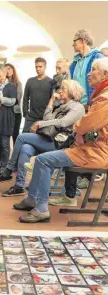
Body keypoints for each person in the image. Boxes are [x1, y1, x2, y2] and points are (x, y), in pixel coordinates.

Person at [14, 57, 108, 223]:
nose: (88, 73)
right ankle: (32, 198)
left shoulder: (104, 98)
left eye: (93, 69)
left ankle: (40, 208)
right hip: (87, 148)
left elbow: (84, 124)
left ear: (105, 74)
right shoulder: (99, 96)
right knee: (31, 151)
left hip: (96, 152)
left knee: (42, 160)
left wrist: (79, 130)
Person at [0, 80, 85, 197]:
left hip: (59, 143)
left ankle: (9, 169)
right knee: (25, 148)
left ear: (72, 91)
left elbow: (63, 122)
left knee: (21, 138)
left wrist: (40, 124)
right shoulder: (61, 105)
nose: (60, 91)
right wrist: (51, 101)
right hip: (48, 139)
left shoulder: (78, 107)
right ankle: (19, 186)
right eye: (60, 88)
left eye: (63, 88)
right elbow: (47, 119)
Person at [70, 29, 105, 189]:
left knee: (91, 137)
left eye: (75, 41)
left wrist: (91, 102)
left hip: (92, 103)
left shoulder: (97, 57)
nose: (73, 44)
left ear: (83, 40)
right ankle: (77, 172)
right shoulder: (75, 62)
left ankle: (87, 175)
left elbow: (98, 81)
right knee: (79, 138)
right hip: (78, 104)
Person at [22, 57, 52, 132]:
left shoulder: (51, 82)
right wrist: (25, 114)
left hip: (44, 118)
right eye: (36, 67)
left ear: (45, 67)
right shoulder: (30, 81)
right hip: (31, 117)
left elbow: (53, 101)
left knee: (40, 140)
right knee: (24, 137)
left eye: (40, 66)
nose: (38, 69)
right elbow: (25, 98)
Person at [5, 63, 23, 144]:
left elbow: (17, 98)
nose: (7, 71)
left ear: (13, 70)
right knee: (5, 136)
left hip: (16, 112)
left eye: (9, 68)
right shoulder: (2, 83)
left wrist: (5, 100)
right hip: (4, 113)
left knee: (15, 135)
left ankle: (15, 156)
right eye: (5, 69)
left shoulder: (18, 83)